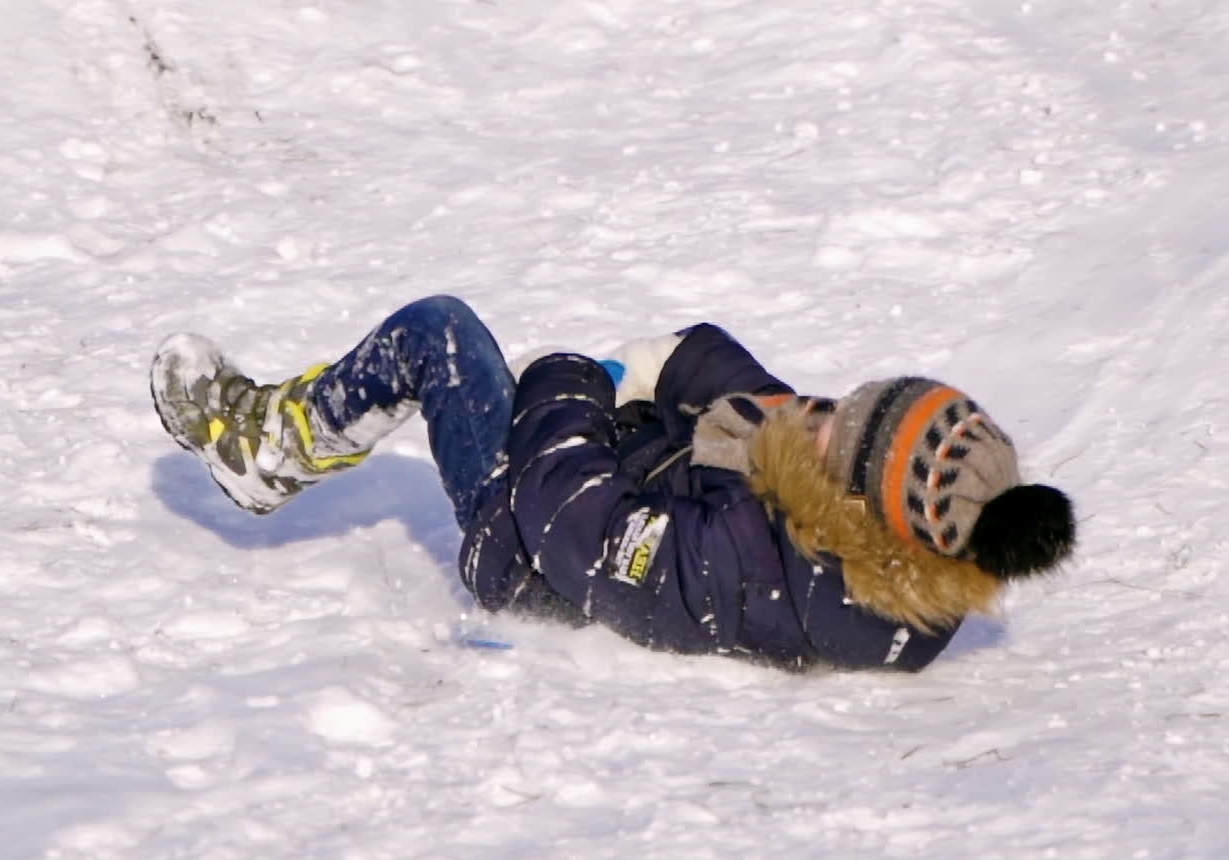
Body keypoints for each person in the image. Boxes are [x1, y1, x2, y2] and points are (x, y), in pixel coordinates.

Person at [150, 295, 1075, 673]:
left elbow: (579, 528)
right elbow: (775, 413)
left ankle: (269, 450)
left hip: (523, 542)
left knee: (438, 335)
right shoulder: (888, 543)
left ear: (862, 499)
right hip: (619, 472)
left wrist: (567, 383)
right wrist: (675, 365)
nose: (825, 414)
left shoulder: (755, 564)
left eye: (845, 427)